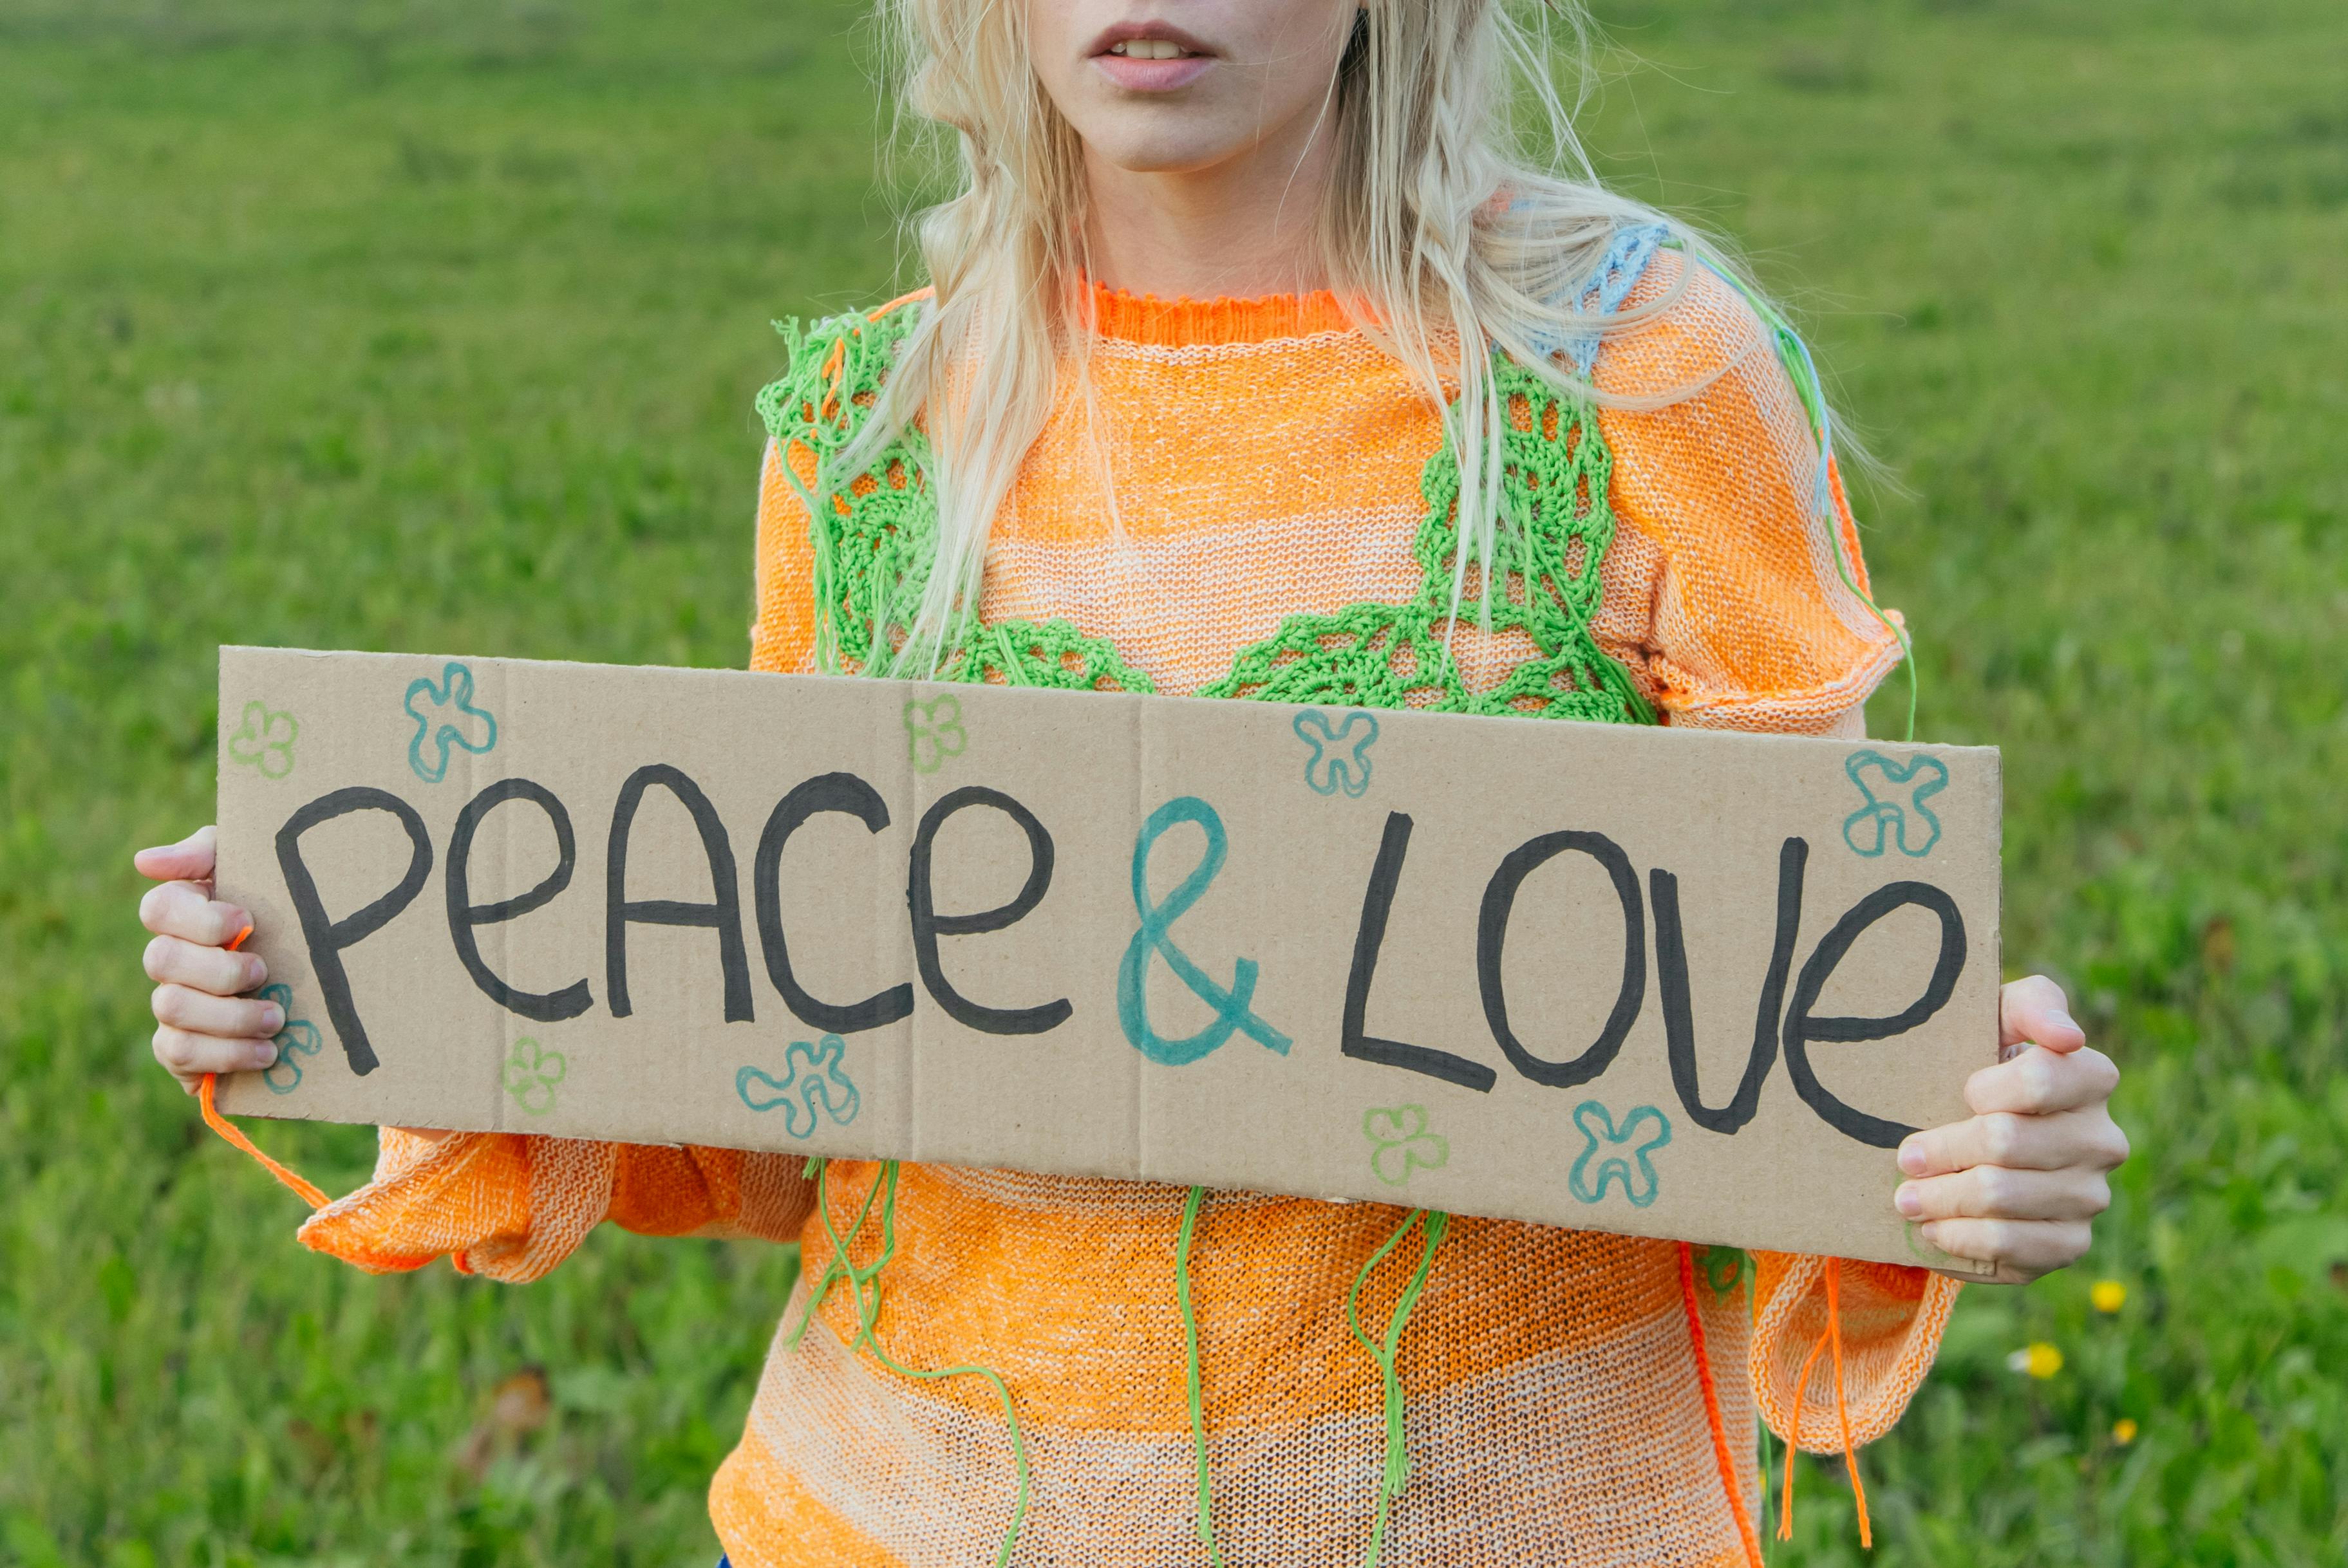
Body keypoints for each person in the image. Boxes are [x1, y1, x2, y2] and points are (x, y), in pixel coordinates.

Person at [131, 3, 2129, 1563]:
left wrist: (1965, 1125)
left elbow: (1811, 1034)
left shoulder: (1638, 376)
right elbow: (770, 1091)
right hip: (888, 1517)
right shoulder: (883, 427)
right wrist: (358, 969)